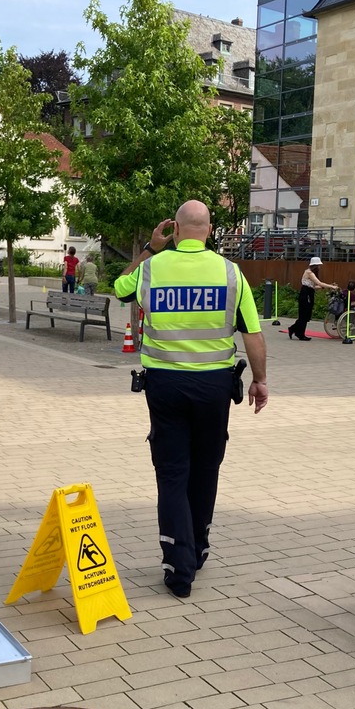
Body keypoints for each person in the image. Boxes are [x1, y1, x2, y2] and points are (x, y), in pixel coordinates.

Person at [113, 200, 269, 598]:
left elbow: (118, 288)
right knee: (206, 466)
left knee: (171, 472)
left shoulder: (151, 267)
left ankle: (178, 567)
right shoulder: (231, 273)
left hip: (164, 386)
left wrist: (150, 249)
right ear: (211, 229)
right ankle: (197, 546)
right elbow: (252, 332)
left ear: (176, 229)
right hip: (214, 387)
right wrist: (260, 380)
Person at [288, 256, 337, 341]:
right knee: (304, 314)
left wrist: (323, 287)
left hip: (308, 293)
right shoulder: (309, 273)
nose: (319, 267)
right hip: (306, 294)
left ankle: (294, 329)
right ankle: (300, 333)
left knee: (306, 314)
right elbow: (319, 283)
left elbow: (313, 286)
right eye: (318, 265)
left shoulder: (309, 273)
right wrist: (331, 286)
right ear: (315, 265)